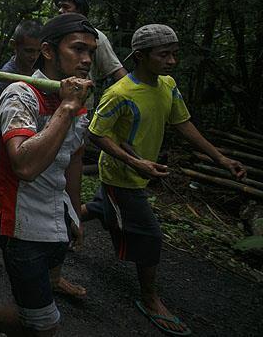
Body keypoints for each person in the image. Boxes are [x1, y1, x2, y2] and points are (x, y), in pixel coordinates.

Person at [82, 24, 245, 336]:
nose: (172, 61)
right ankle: (150, 299)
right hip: (121, 175)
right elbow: (96, 134)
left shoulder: (168, 85)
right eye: (164, 54)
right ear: (140, 57)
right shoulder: (119, 93)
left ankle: (63, 225)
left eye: (174, 54)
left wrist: (221, 159)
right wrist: (135, 162)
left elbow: (184, 123)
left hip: (140, 173)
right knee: (151, 235)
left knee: (102, 208)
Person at [0, 14, 95, 337]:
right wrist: (66, 109)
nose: (86, 59)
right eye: (78, 49)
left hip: (57, 215)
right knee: (45, 324)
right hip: (21, 223)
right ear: (48, 51)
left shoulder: (76, 98)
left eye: (90, 52)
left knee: (35, 308)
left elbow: (73, 160)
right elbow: (24, 166)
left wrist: (74, 212)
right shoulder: (21, 95)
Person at [0, 19, 42, 258]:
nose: (33, 56)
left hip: (27, 141)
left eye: (37, 51)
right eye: (28, 50)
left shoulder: (40, 73)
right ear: (15, 46)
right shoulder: (4, 76)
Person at [54, 0, 127, 86]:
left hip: (83, 94)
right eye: (60, 7)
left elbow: (117, 72)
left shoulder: (96, 37)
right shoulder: (53, 35)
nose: (60, 11)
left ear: (80, 11)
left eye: (66, 7)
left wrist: (132, 92)